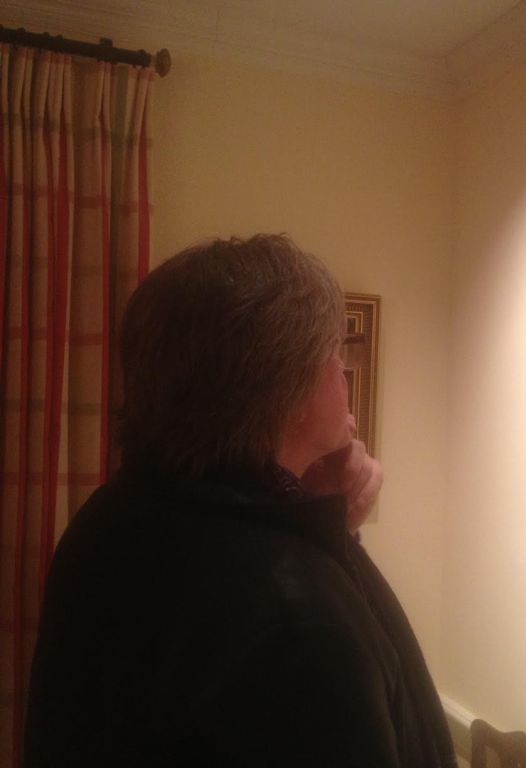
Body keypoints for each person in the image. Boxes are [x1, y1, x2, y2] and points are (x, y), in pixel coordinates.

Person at [24, 235, 456, 767]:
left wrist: (325, 522)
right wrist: (319, 544)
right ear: (290, 389)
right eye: (333, 354)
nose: (342, 373)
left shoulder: (114, 515)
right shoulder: (296, 619)